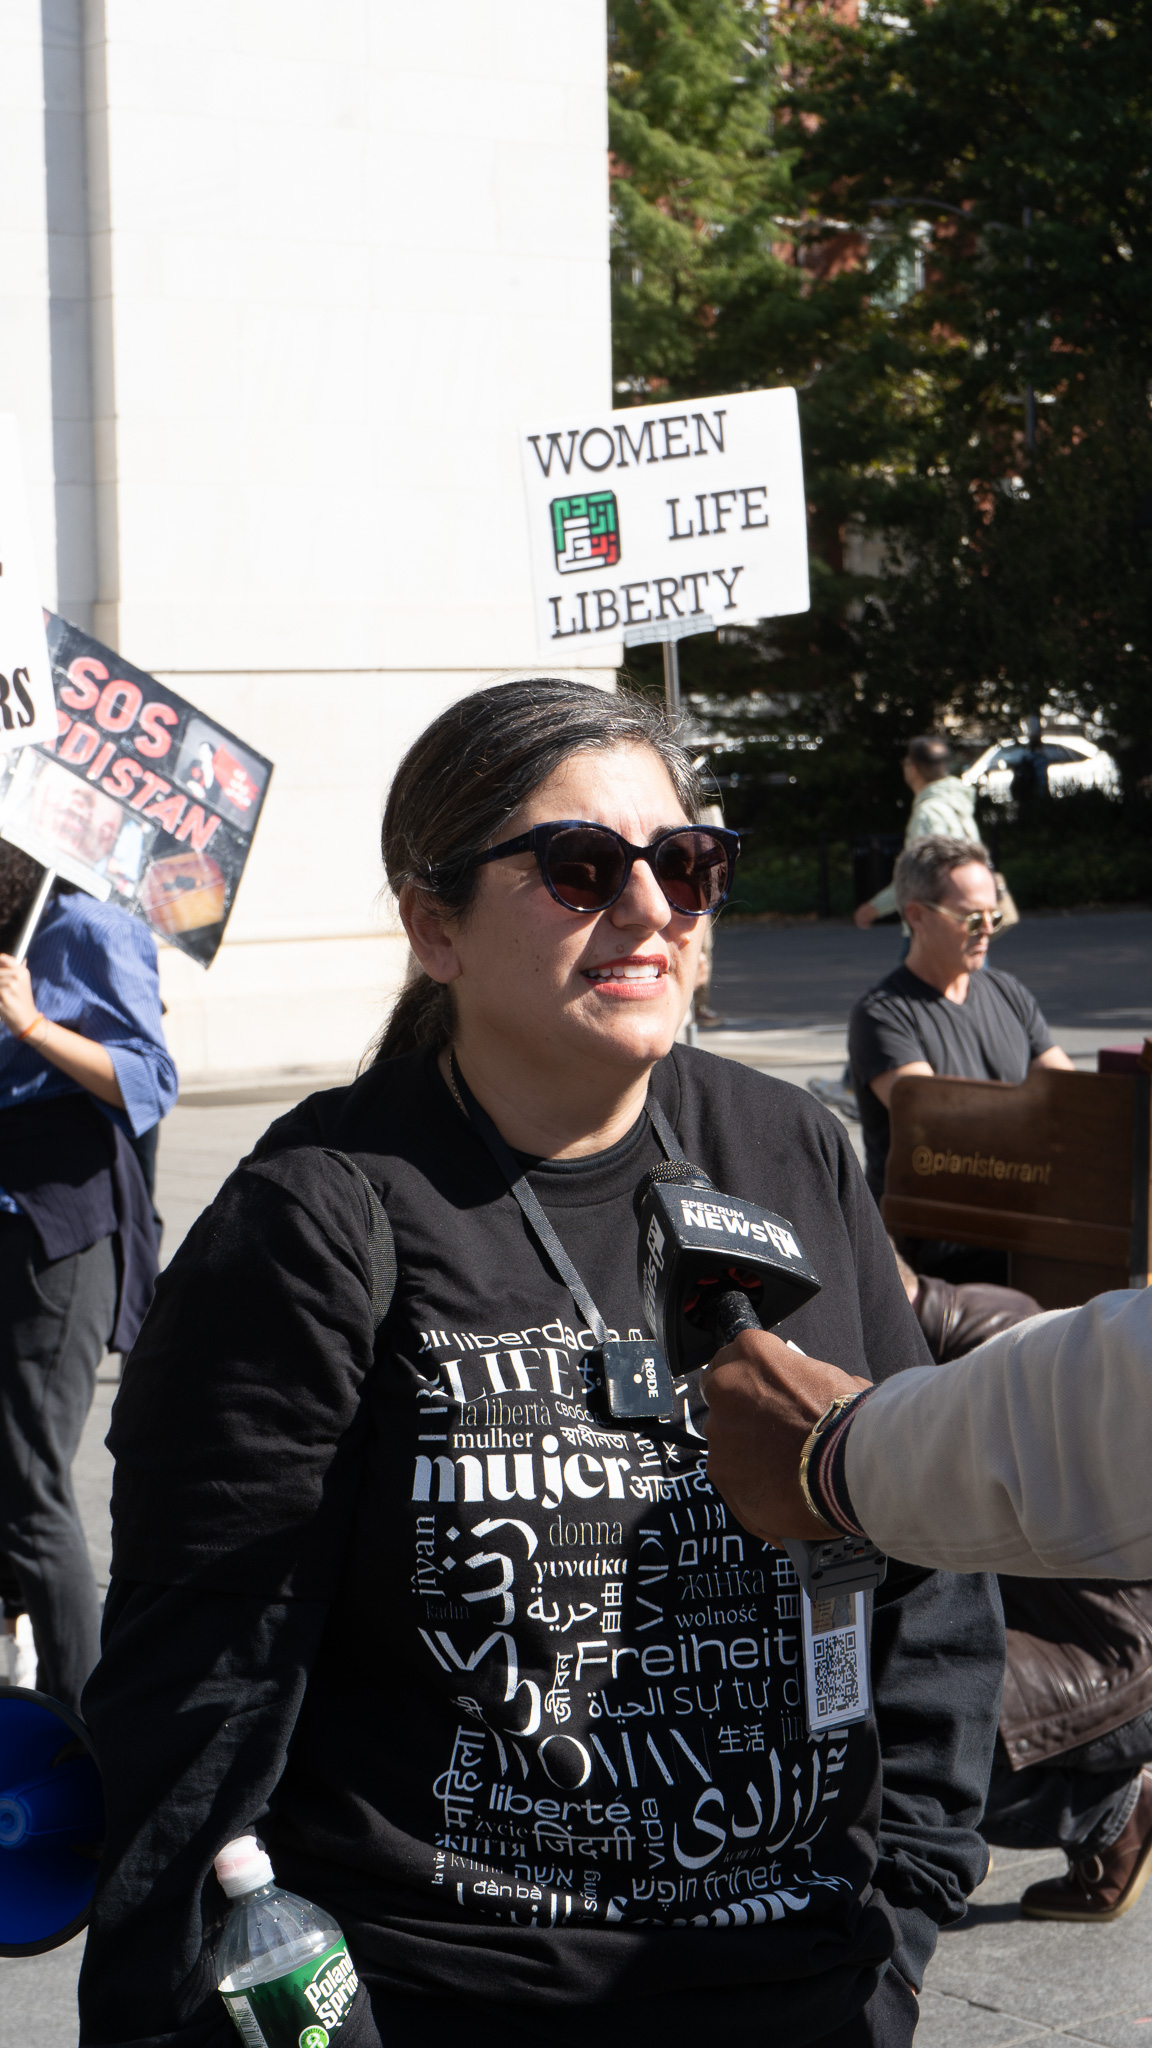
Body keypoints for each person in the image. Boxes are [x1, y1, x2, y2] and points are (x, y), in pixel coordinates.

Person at [79, 680, 1004, 2048]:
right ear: (432, 925)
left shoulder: (787, 1148)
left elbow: (927, 1558)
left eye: (685, 863)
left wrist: (905, 1916)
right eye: (582, 870)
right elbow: (197, 1703)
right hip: (450, 1996)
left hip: (807, 1990)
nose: (649, 910)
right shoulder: (321, 1216)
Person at [888, 1246, 1152, 1923]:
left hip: (1125, 1651)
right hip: (1066, 1620)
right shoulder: (935, 1329)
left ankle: (1113, 1812)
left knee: (911, 1718)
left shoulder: (994, 1338)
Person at [0, 842, 176, 1711]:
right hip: (11, 1221)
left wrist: (34, 1027)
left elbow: (149, 1079)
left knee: (32, 1480)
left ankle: (85, 1724)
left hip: (59, 1229)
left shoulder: (84, 923)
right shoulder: (12, 925)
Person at [848, 837, 1074, 1270]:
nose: (988, 928)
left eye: (995, 914)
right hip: (936, 1253)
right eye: (972, 918)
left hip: (1019, 1226)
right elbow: (942, 1124)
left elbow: (1073, 1097)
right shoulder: (883, 1014)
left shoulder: (1009, 992)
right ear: (917, 916)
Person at [852, 738, 980, 931]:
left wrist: (874, 908)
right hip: (966, 917)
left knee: (911, 962)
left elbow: (916, 876)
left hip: (932, 928)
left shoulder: (928, 813)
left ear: (912, 768)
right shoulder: (958, 805)